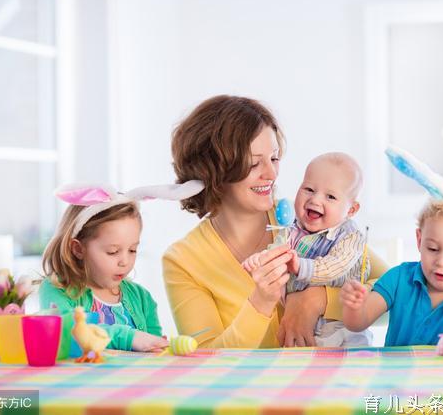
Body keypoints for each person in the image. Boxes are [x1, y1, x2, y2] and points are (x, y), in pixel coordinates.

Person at [163, 95, 388, 348]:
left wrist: (317, 300)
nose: (271, 174)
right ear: (213, 170)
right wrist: (260, 303)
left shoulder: (305, 222)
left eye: (274, 158)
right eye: (254, 163)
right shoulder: (183, 261)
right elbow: (206, 360)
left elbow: (401, 295)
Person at [341, 140, 443, 346]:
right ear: (419, 240)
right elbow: (357, 323)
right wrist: (354, 307)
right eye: (433, 248)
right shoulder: (399, 278)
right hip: (395, 376)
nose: (442, 261)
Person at [40, 182, 203, 351]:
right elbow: (67, 333)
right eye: (113, 251)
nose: (125, 261)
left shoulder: (141, 298)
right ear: (78, 249)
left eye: (132, 250)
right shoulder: (57, 289)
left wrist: (158, 345)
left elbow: (153, 348)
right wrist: (130, 337)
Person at [242, 152, 372, 346]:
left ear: (351, 210)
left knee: (354, 367)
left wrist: (301, 267)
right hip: (304, 331)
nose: (315, 200)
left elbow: (335, 265)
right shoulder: (292, 227)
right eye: (309, 189)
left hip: (342, 327)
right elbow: (277, 249)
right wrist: (261, 260)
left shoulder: (350, 236)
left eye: (330, 196)